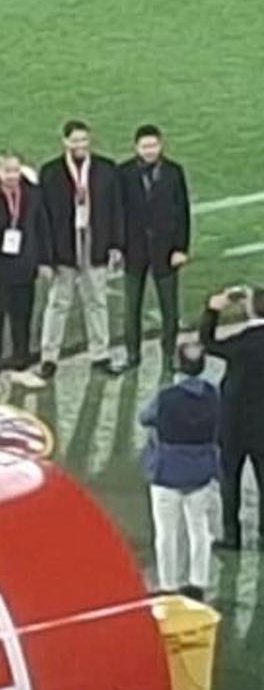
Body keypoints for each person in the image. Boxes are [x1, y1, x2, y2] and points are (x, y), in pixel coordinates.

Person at [38, 120, 124, 377]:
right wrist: (47, 255)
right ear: (65, 142)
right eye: (75, 141)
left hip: (94, 240)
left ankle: (100, 354)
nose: (80, 145)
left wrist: (116, 244)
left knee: (97, 300)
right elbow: (43, 217)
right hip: (64, 244)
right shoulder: (51, 172)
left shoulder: (106, 169)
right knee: (58, 302)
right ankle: (49, 357)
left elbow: (116, 209)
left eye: (84, 140)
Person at [139, 343, 221, 601]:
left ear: (177, 364)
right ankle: (197, 582)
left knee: (166, 532)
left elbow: (145, 417)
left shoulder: (166, 397)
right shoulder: (213, 395)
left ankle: (168, 583)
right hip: (200, 474)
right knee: (199, 529)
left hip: (167, 473)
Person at [0, 152, 51, 394]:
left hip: (25, 265)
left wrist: (44, 260)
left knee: (22, 319)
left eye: (15, 170)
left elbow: (42, 225)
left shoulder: (32, 193)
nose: (12, 176)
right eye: (7, 171)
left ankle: (20, 367)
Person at [119, 125, 191, 372]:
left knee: (169, 307)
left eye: (153, 145)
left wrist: (181, 247)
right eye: (144, 146)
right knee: (131, 307)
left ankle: (170, 354)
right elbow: (118, 212)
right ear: (136, 147)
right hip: (134, 249)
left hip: (165, 249)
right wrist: (118, 247)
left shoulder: (173, 172)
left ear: (161, 145)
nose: (149, 151)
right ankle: (132, 354)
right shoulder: (124, 172)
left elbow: (182, 211)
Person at [200, 286, 264, 550]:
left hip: (233, 426)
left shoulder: (239, 343)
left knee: (230, 481)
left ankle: (232, 535)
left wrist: (213, 310)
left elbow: (208, 342)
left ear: (249, 309)